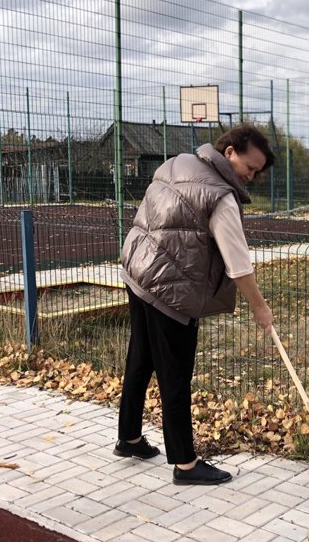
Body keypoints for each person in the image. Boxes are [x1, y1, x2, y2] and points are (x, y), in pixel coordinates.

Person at [113, 124, 275, 485]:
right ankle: (185, 464)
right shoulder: (220, 195)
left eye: (257, 172)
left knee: (140, 358)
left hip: (137, 268)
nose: (252, 176)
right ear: (230, 151)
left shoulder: (178, 164)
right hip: (169, 285)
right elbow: (238, 264)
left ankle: (130, 438)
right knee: (175, 373)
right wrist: (260, 307)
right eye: (250, 167)